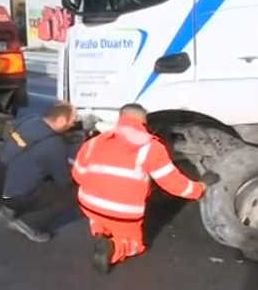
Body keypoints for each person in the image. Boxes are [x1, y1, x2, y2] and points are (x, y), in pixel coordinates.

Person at [72, 103, 212, 274]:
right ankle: (115, 248)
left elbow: (78, 174)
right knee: (135, 245)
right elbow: (173, 184)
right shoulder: (150, 147)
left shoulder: (95, 142)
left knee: (100, 217)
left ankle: (100, 231)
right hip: (122, 214)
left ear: (120, 119)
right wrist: (199, 188)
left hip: (88, 206)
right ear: (143, 121)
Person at [0, 101, 78, 242]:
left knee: (30, 169)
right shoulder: (54, 145)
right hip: (14, 195)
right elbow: (64, 181)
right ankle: (29, 222)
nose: (74, 124)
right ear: (61, 120)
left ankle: (8, 208)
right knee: (74, 192)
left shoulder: (29, 121)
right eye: (73, 120)